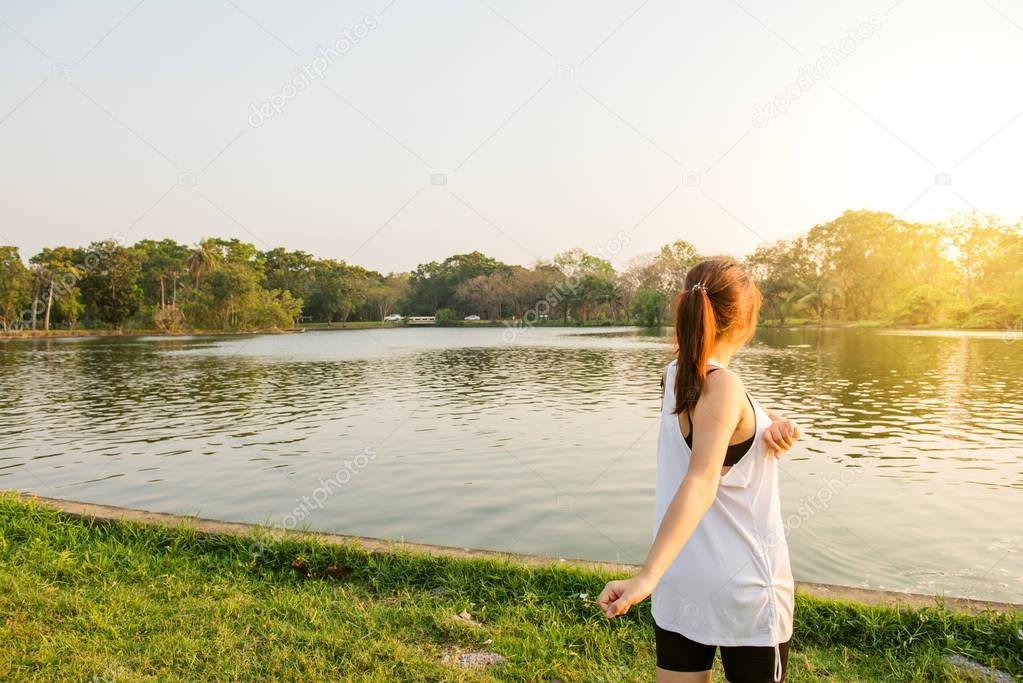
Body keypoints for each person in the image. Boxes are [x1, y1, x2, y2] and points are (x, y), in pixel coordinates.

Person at [598, 257, 799, 682]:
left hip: (683, 577)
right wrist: (645, 576)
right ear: (746, 321)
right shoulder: (725, 386)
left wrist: (771, 423)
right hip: (745, 587)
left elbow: (728, 416)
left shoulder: (675, 374)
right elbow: (702, 479)